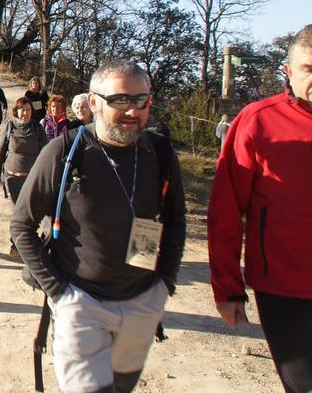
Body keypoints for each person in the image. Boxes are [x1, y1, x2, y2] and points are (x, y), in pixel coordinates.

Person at [11, 60, 186, 393]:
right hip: (81, 303)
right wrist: (60, 292)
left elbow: (175, 220)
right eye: (120, 100)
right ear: (93, 102)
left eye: (142, 101)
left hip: (141, 302)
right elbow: (22, 224)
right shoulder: (63, 151)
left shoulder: (159, 152)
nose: (133, 111)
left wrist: (164, 283)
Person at [207, 22, 312, 393]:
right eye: (310, 69)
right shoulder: (258, 122)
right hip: (288, 293)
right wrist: (227, 288)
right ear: (289, 71)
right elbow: (225, 211)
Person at [0, 97, 47, 256]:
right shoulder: (10, 127)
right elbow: (0, 152)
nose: (26, 113)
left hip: (32, 179)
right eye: (22, 109)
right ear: (16, 111)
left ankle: (26, 242)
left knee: (30, 212)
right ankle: (16, 245)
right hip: (12, 178)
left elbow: (47, 151)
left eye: (29, 110)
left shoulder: (37, 128)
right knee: (18, 212)